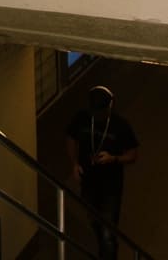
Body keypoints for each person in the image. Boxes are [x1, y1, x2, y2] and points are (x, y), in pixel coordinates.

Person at [66, 85, 139, 260]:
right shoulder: (82, 118)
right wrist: (75, 163)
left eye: (101, 112)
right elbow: (70, 137)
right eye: (94, 112)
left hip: (111, 186)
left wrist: (113, 158)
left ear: (109, 107)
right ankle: (104, 248)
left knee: (108, 233)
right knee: (94, 221)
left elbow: (133, 154)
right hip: (88, 182)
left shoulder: (120, 126)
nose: (97, 116)